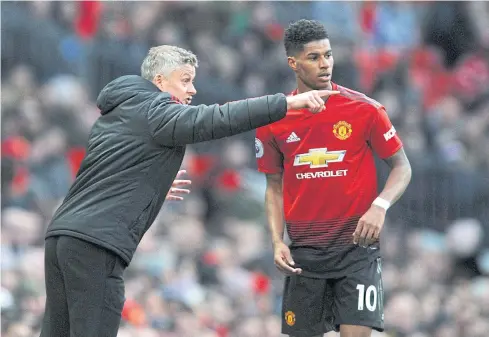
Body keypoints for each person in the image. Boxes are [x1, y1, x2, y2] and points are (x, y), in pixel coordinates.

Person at [39, 44, 340, 337]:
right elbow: (216, 119)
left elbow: (106, 171)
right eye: (185, 81)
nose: (192, 90)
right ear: (159, 82)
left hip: (62, 238)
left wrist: (150, 185)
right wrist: (285, 104)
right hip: (97, 244)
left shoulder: (118, 113)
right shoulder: (157, 109)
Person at [255, 20, 412, 337]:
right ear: (293, 63)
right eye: (314, 57)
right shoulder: (274, 119)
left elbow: (402, 167)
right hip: (304, 256)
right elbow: (273, 187)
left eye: (328, 55)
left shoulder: (365, 109)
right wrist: (276, 241)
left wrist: (379, 205)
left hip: (357, 252)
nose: (325, 63)